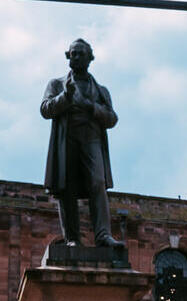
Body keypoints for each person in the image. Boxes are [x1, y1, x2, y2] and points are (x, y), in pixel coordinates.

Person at [40, 38, 121, 249]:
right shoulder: (57, 84)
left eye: (80, 54)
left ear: (89, 58)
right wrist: (65, 97)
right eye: (72, 54)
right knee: (67, 186)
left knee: (97, 183)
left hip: (92, 139)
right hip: (66, 140)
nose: (75, 57)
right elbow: (45, 109)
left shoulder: (101, 91)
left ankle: (103, 235)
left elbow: (112, 119)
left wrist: (91, 107)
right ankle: (72, 238)